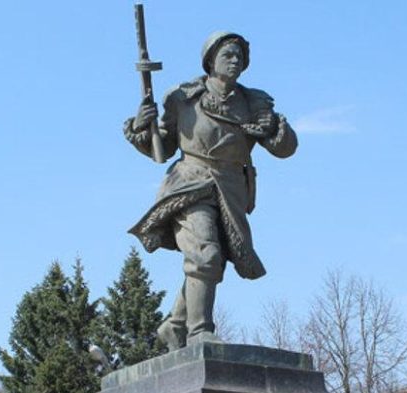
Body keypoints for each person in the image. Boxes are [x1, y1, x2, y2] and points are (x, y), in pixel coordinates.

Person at [124, 31, 298, 351]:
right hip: (190, 183)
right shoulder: (183, 98)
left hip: (231, 190)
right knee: (205, 254)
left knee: (211, 261)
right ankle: (199, 332)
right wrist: (141, 125)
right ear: (210, 61)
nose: (235, 60)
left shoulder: (254, 102)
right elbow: (162, 149)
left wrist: (274, 130)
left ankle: (175, 325)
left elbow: (285, 149)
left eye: (240, 56)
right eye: (227, 55)